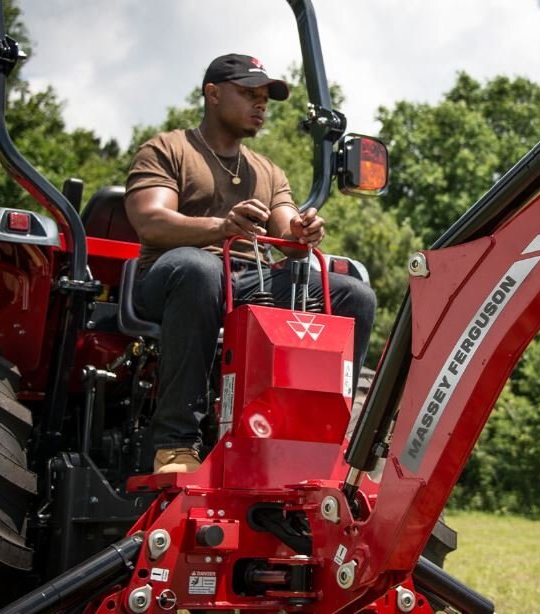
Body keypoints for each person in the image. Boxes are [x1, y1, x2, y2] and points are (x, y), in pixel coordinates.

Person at [124, 54, 376, 474]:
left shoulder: (268, 172)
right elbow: (150, 221)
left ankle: (324, 443)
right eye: (248, 93)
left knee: (354, 296)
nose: (260, 104)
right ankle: (176, 443)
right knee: (201, 271)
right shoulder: (167, 149)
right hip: (171, 278)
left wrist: (302, 232)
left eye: (264, 97)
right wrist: (220, 227)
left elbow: (288, 231)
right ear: (212, 93)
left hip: (247, 282)